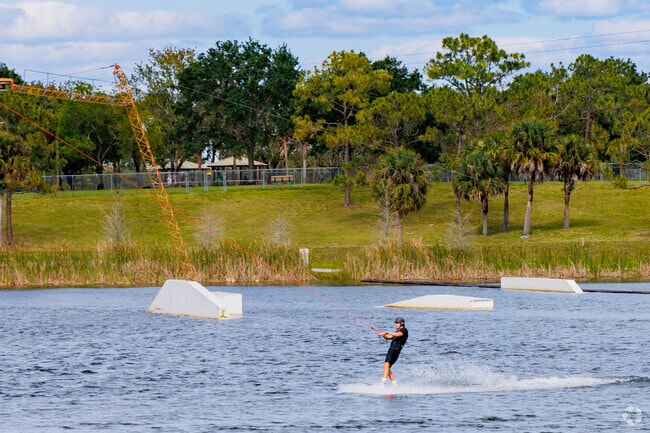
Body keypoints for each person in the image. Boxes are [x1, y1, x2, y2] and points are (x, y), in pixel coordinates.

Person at [378, 317, 408, 385]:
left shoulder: (404, 330)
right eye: (395, 323)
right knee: (387, 367)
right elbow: (388, 337)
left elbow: (399, 334)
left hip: (394, 350)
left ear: (401, 323)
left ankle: (382, 382)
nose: (396, 324)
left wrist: (387, 332)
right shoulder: (396, 332)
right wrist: (384, 335)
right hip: (394, 350)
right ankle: (395, 384)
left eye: (397, 323)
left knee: (386, 364)